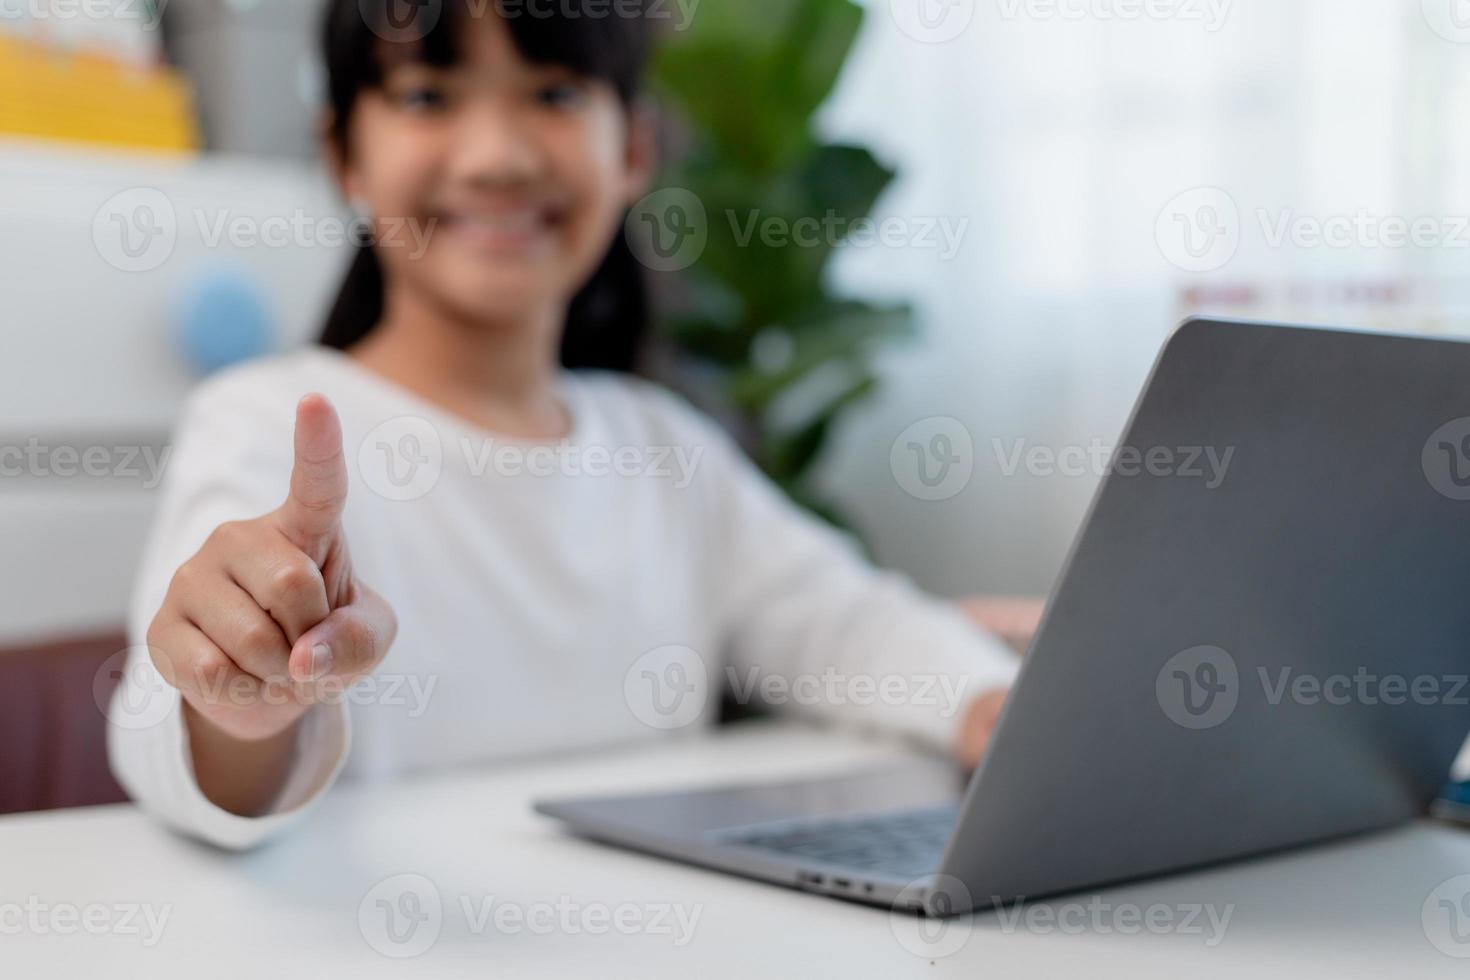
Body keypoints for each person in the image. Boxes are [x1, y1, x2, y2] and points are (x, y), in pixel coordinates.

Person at [107, 0, 1027, 850]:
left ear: (633, 149)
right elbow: (174, 729)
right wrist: (244, 706)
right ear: (343, 152)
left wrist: (986, 699)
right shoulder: (263, 425)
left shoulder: (664, 449)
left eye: (553, 93)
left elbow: (846, 624)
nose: (496, 157)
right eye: (427, 95)